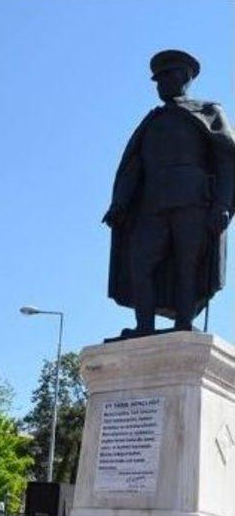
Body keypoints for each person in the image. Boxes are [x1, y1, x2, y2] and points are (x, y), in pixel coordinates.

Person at [103, 49, 235, 335]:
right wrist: (120, 204)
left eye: (166, 77)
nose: (161, 84)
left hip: (193, 202)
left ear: (184, 77)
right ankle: (144, 326)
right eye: (158, 80)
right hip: (151, 206)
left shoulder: (209, 112)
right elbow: (133, 167)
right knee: (140, 263)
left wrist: (223, 203)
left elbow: (227, 160)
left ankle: (183, 323)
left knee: (188, 263)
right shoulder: (152, 121)